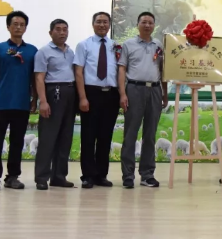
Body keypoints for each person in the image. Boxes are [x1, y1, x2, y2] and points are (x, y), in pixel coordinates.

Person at [0, 11, 38, 191]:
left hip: (22, 104)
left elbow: (35, 78)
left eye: (22, 24)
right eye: (15, 24)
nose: (18, 27)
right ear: (8, 26)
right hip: (1, 103)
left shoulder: (32, 51)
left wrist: (35, 99)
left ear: (25, 28)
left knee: (18, 142)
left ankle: (13, 177)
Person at [118, 12, 168, 189]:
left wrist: (165, 92)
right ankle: (128, 175)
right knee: (130, 133)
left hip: (155, 89)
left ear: (154, 26)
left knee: (150, 135)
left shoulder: (159, 45)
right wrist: (123, 94)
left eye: (150, 22)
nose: (147, 25)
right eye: (144, 22)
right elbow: (122, 70)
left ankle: (147, 175)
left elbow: (163, 71)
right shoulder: (128, 44)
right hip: (134, 89)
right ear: (137, 24)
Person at [74, 12, 120, 188]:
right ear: (93, 24)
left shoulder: (116, 46)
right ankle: (87, 175)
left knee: (105, 136)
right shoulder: (84, 45)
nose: (102, 25)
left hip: (111, 94)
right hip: (91, 93)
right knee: (88, 135)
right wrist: (82, 97)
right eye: (99, 22)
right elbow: (78, 72)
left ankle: (101, 174)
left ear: (109, 25)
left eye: (105, 22)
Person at [34, 19, 76, 190]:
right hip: (53, 92)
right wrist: (43, 101)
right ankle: (42, 177)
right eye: (58, 29)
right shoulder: (43, 52)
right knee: (48, 138)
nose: (62, 33)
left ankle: (59, 176)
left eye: (65, 29)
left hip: (70, 92)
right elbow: (39, 78)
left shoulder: (71, 51)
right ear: (50, 32)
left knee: (65, 137)